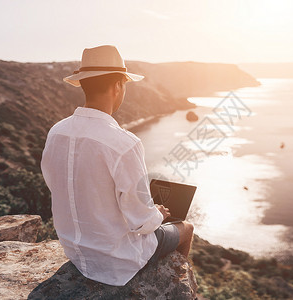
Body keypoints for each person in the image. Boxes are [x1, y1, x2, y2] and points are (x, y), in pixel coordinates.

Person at [40, 45, 194, 286]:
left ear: (83, 84)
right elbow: (141, 222)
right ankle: (174, 285)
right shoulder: (124, 143)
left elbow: (56, 185)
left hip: (74, 251)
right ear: (117, 86)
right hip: (117, 261)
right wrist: (158, 214)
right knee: (186, 227)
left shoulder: (56, 132)